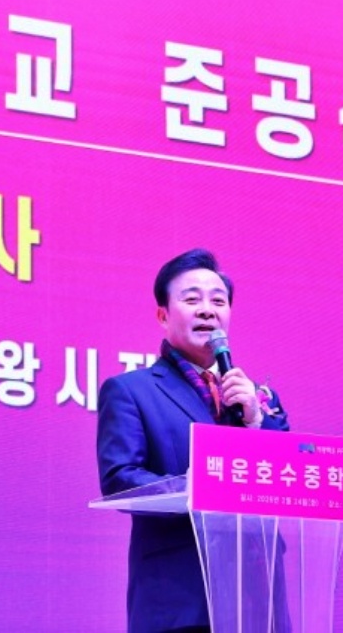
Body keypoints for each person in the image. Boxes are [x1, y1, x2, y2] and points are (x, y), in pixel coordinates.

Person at [96, 249, 290, 633]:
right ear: (163, 316)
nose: (207, 311)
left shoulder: (256, 398)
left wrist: (255, 420)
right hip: (180, 597)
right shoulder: (131, 391)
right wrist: (200, 486)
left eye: (218, 301)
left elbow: (290, 476)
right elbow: (120, 479)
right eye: (191, 299)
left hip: (257, 595)